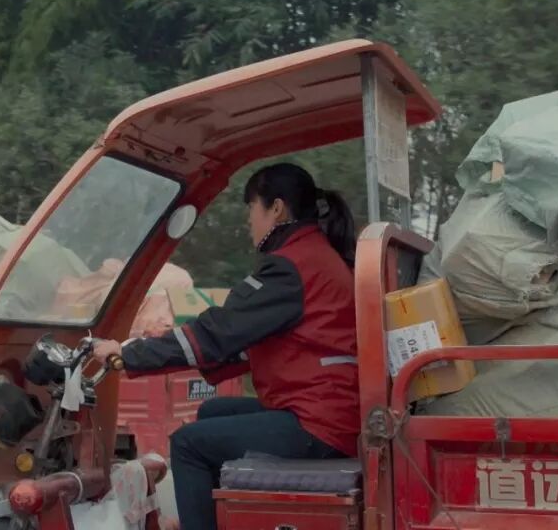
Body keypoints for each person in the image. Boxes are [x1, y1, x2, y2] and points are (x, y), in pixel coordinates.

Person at [91, 163, 359, 530]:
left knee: (187, 443)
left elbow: (218, 332)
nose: (249, 220)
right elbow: (243, 340)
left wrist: (128, 354)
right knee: (212, 412)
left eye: (252, 208)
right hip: (329, 409)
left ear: (276, 208)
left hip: (319, 422)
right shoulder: (315, 256)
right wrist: (192, 351)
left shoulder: (290, 266)